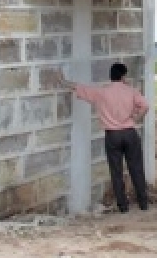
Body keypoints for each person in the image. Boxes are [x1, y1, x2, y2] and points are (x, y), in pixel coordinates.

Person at [61, 62, 150, 213]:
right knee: (136, 169)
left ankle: (123, 206)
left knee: (116, 172)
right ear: (123, 76)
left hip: (112, 135)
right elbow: (145, 106)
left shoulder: (102, 92)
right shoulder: (131, 91)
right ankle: (143, 203)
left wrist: (62, 81)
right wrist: (137, 118)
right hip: (129, 133)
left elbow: (80, 88)